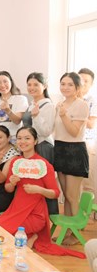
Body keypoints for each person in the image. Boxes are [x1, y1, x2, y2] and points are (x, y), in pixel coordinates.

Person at [0, 127, 85, 258]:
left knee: (7, 235)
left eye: (27, 138)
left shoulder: (44, 165)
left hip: (36, 214)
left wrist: (39, 190)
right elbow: (8, 188)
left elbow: (55, 193)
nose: (22, 142)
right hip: (16, 210)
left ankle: (33, 236)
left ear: (35, 141)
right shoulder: (16, 162)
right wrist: (12, 183)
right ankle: (30, 237)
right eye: (19, 138)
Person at [54, 72, 89, 222]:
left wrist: (63, 116)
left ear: (77, 87)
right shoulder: (59, 105)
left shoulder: (81, 104)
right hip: (59, 148)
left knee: (72, 196)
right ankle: (68, 228)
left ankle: (76, 229)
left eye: (70, 84)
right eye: (63, 84)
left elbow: (74, 132)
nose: (65, 87)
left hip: (75, 150)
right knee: (66, 195)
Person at [0, 71, 28, 143]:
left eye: (5, 81)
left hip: (13, 140)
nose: (2, 85)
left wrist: (8, 110)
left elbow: (17, 121)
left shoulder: (20, 99)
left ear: (11, 82)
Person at [22, 72, 55, 163]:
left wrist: (36, 116)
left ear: (44, 86)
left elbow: (46, 132)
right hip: (30, 146)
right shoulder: (32, 104)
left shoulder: (48, 105)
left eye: (36, 85)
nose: (32, 88)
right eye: (29, 85)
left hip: (42, 146)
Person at [79, 68, 97, 205]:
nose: (82, 83)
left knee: (88, 180)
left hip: (87, 143)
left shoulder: (92, 101)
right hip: (72, 142)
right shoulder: (68, 99)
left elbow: (91, 124)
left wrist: (76, 114)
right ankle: (76, 211)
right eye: (80, 80)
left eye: (86, 81)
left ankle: (89, 213)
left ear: (91, 84)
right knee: (75, 182)